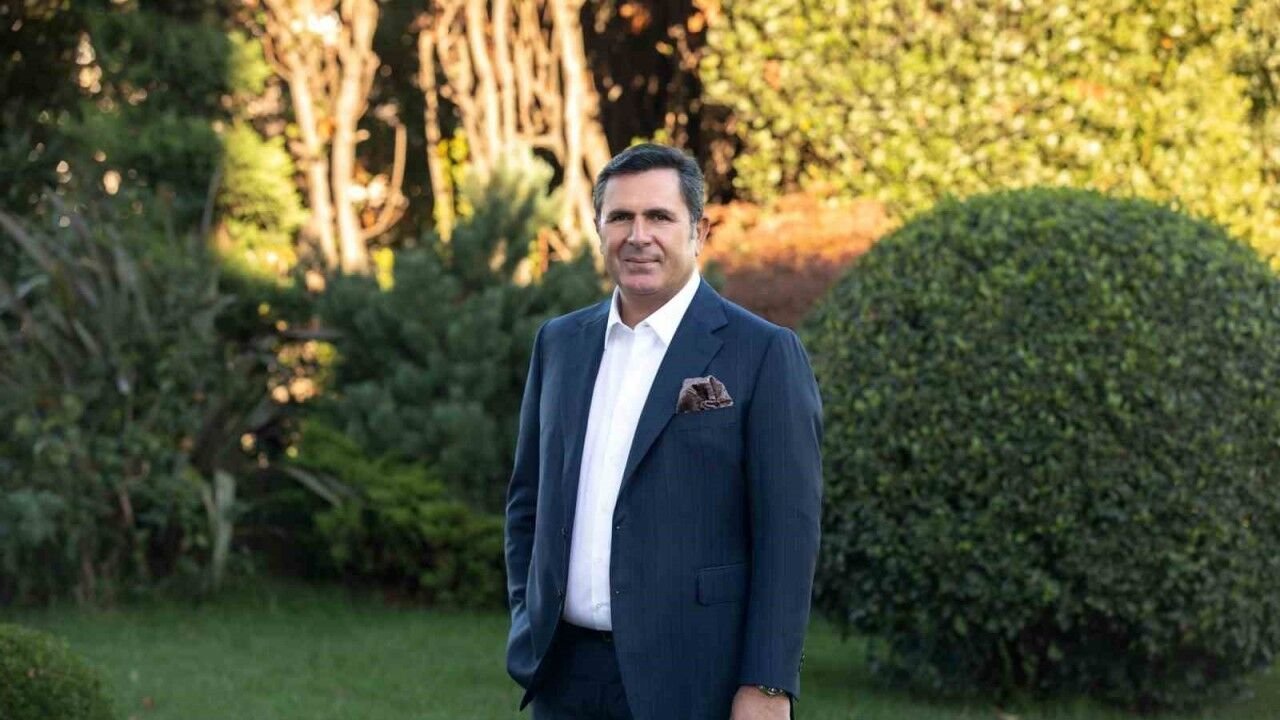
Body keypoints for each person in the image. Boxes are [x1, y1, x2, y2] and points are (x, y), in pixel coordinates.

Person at [504, 143, 823, 720]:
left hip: (695, 680)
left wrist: (769, 684)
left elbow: (788, 534)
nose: (638, 236)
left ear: (699, 230)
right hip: (563, 676)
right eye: (620, 217)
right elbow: (528, 500)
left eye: (659, 216)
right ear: (598, 228)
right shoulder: (560, 344)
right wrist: (528, 617)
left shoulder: (762, 353)